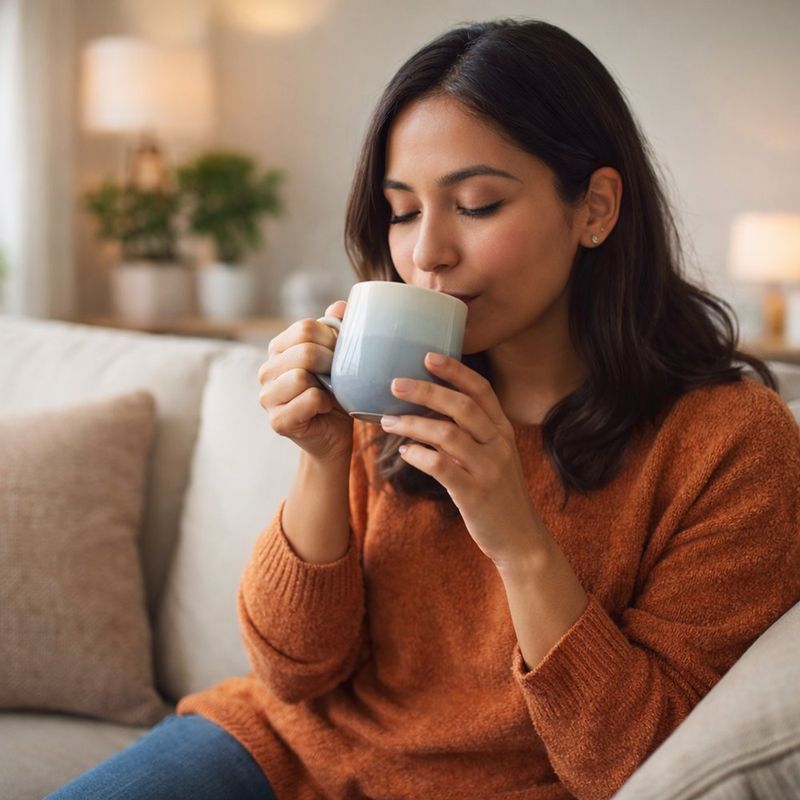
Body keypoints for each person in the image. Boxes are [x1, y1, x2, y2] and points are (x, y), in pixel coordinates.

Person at [49, 18, 800, 800]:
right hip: (277, 749)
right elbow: (292, 674)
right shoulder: (395, 376)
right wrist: (323, 457)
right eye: (404, 211)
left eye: (476, 204)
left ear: (596, 209)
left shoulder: (728, 442)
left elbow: (639, 760)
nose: (427, 252)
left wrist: (518, 538)